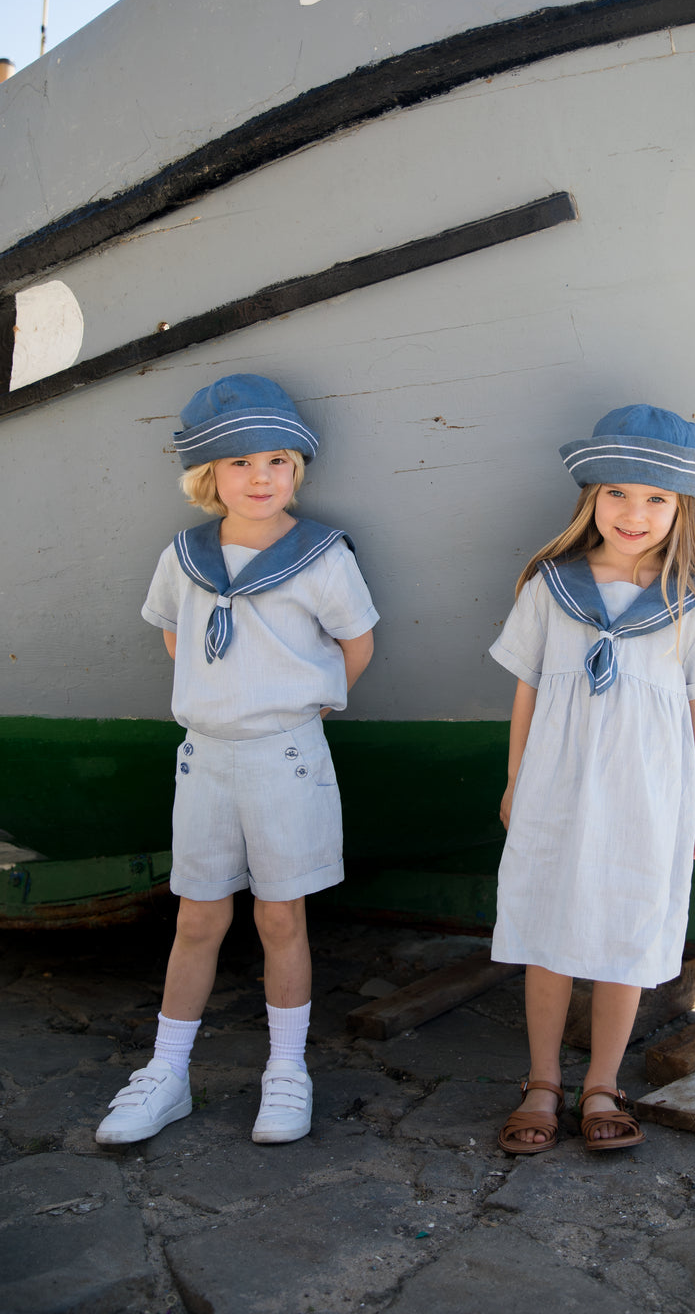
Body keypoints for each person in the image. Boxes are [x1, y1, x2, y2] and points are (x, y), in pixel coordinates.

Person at [96, 374, 378, 1146]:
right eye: (241, 463)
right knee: (197, 917)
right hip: (206, 760)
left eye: (277, 461)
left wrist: (307, 705)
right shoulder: (184, 556)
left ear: (297, 469)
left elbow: (356, 644)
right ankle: (167, 1074)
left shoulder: (320, 556)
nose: (261, 478)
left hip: (285, 757)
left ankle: (286, 1070)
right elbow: (175, 634)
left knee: (281, 915)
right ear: (209, 476)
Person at [489, 403, 695, 1153]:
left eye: (656, 498)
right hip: (556, 789)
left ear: (681, 506)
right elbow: (526, 693)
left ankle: (602, 1083)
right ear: (591, 497)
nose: (635, 514)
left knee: (627, 931)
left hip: (648, 796)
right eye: (618, 494)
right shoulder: (551, 587)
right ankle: (542, 1083)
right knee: (546, 930)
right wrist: (514, 782)